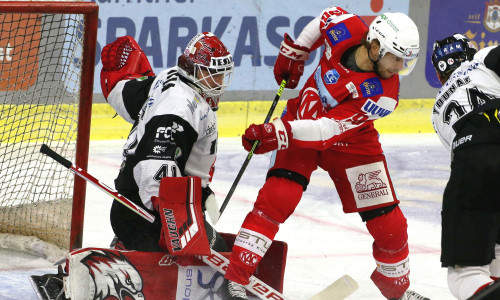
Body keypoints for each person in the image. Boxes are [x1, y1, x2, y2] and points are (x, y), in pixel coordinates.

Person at [223, 6, 429, 300]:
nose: (399, 67)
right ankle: (236, 279)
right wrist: (297, 51)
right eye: (395, 58)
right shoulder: (348, 27)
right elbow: (323, 19)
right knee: (278, 197)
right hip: (301, 121)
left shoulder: (384, 94)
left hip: (352, 143)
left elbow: (325, 131)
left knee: (391, 225)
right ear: (373, 46)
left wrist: (278, 132)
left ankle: (397, 292)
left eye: (406, 61)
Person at [100, 32, 248, 299]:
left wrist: (117, 78)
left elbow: (128, 95)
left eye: (223, 74)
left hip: (138, 205)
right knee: (218, 250)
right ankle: (231, 289)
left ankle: (127, 247)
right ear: (194, 69)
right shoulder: (181, 105)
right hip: (145, 212)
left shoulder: (170, 78)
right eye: (213, 74)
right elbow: (154, 168)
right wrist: (174, 226)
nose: (220, 82)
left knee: (208, 237)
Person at [430, 34, 500, 300]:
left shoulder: (436, 110)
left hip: (475, 156)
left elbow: (466, 160)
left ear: (439, 74)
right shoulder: (482, 59)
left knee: (466, 273)